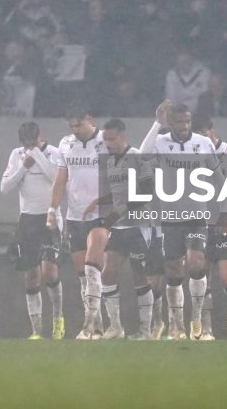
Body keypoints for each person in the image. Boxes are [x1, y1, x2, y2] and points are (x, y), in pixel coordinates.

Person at [139, 100, 227, 340]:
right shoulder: (160, 142)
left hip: (197, 214)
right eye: (179, 122)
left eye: (188, 121)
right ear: (170, 122)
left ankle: (198, 323)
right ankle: (176, 326)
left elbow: (219, 177)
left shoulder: (202, 143)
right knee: (173, 270)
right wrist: (156, 122)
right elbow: (143, 156)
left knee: (197, 262)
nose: (185, 126)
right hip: (170, 216)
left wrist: (224, 210)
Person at [81, 119, 161, 340]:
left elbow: (145, 191)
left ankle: (145, 330)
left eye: (112, 139)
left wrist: (119, 210)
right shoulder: (109, 161)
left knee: (139, 276)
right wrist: (98, 201)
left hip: (139, 225)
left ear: (123, 136)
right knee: (108, 274)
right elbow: (119, 193)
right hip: (119, 226)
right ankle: (116, 327)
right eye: (105, 139)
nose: (108, 143)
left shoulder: (136, 156)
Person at [0, 122, 64, 339]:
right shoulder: (16, 155)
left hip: (50, 217)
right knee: (31, 275)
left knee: (49, 271)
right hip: (27, 219)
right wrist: (23, 166)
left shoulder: (54, 153)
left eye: (33, 143)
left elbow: (58, 180)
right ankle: (36, 330)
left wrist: (38, 155)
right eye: (26, 144)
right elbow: (5, 187)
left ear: (39, 138)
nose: (29, 147)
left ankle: (58, 319)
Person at [46, 106, 104, 339]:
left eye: (79, 125)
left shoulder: (104, 140)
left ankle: (88, 326)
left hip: (101, 215)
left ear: (90, 119)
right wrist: (52, 209)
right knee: (82, 273)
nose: (75, 130)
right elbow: (61, 179)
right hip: (74, 215)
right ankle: (98, 325)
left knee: (91, 267)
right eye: (71, 126)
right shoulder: (65, 144)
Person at [192, 115, 227, 339]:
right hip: (201, 222)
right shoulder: (193, 155)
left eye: (204, 135)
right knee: (200, 274)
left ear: (211, 130)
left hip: (226, 224)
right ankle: (205, 327)